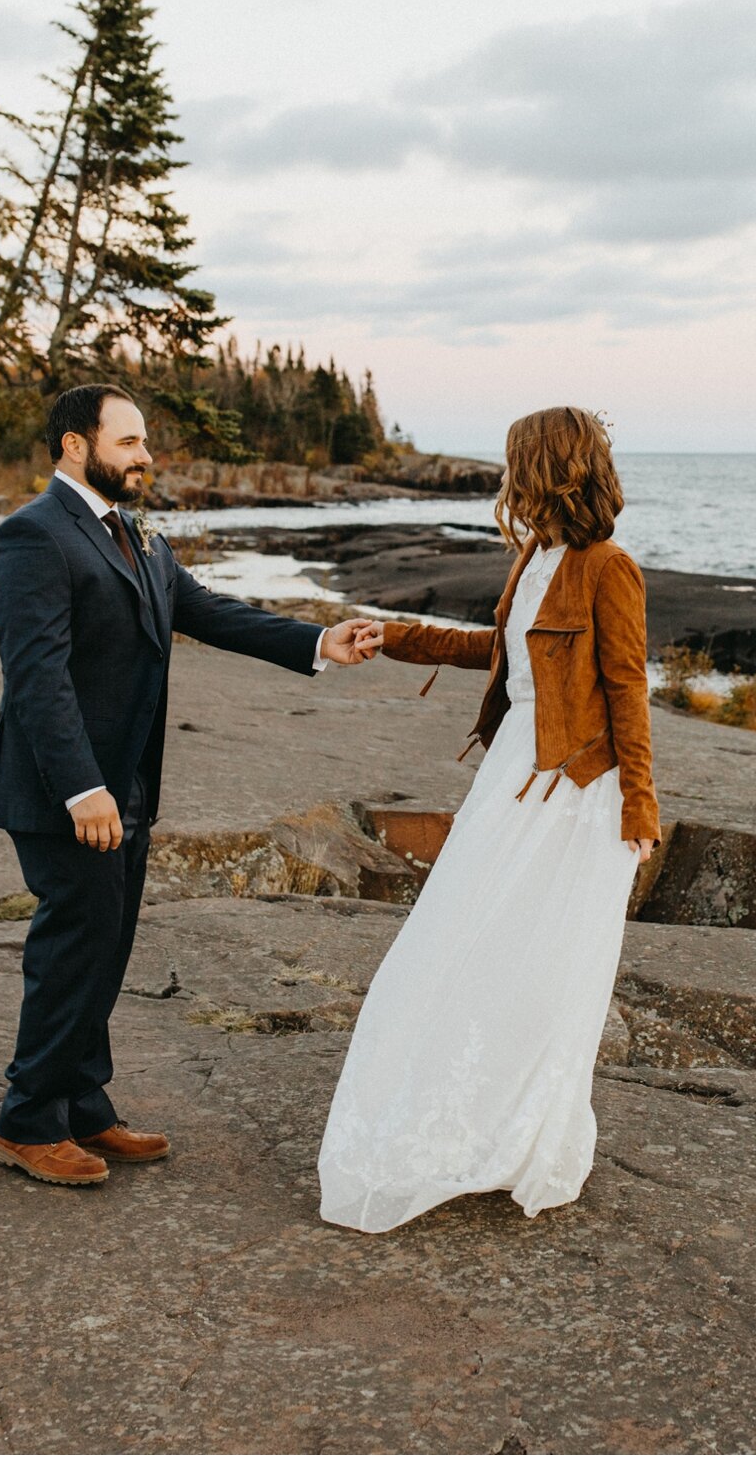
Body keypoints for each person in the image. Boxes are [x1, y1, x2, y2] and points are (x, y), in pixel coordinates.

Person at [0, 383, 384, 1186]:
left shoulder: (138, 538)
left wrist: (320, 641)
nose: (145, 456)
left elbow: (212, 611)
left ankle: (84, 1107)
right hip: (68, 791)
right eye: (127, 442)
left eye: (143, 442)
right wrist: (82, 788)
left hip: (125, 785)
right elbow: (37, 677)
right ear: (73, 447)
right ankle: (27, 1122)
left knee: (108, 943)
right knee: (74, 945)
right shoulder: (32, 537)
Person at [316, 405, 661, 1232]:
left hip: (576, 795)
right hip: (513, 777)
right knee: (461, 949)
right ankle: (466, 1125)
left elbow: (627, 689)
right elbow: (498, 654)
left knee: (547, 972)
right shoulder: (535, 556)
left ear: (545, 467)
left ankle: (526, 1137)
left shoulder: (609, 568)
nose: (507, 476)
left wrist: (640, 806)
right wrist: (393, 635)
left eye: (516, 461)